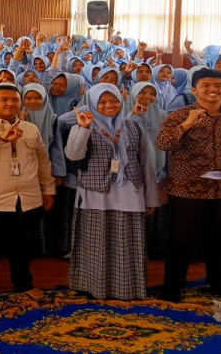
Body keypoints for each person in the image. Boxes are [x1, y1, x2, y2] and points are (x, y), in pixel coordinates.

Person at [156, 68, 221, 303]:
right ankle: (172, 287)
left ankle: (220, 285)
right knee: (181, 240)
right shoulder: (180, 115)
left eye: (218, 86)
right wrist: (187, 124)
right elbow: (163, 142)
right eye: (206, 86)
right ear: (194, 90)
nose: (213, 90)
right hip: (187, 189)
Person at [65, 83, 159, 300]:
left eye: (114, 101)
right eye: (102, 102)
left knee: (127, 242)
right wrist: (83, 129)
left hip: (130, 192)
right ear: (93, 103)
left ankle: (127, 288)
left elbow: (146, 163)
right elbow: (74, 155)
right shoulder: (82, 125)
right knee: (96, 242)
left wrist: (151, 196)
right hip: (95, 193)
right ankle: (93, 286)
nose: (109, 105)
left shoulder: (133, 127)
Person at [0, 84, 56, 300]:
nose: (10, 103)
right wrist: (0, 137)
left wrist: (48, 189)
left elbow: (42, 161)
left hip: (27, 198)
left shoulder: (30, 129)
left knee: (23, 247)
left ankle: (24, 284)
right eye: (4, 99)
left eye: (14, 99)